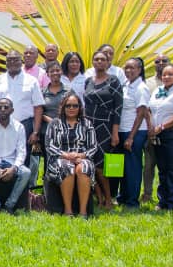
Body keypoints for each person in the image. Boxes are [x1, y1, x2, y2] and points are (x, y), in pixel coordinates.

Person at [0, 49, 44, 158]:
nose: (12, 62)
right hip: (0, 125)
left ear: (21, 61)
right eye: (9, 60)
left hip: (25, 125)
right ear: (5, 62)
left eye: (16, 60)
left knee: (23, 159)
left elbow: (38, 107)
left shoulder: (32, 81)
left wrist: (35, 132)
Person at [82, 48, 122, 209]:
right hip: (88, 127)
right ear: (92, 62)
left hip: (105, 127)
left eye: (102, 59)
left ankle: (108, 198)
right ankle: (99, 199)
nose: (99, 62)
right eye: (96, 59)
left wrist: (115, 132)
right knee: (90, 164)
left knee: (100, 167)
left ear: (108, 62)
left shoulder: (114, 81)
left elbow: (118, 108)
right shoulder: (88, 81)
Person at [45, 93, 96, 217]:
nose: (71, 108)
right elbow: (49, 146)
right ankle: (68, 211)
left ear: (80, 107)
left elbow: (93, 147)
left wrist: (80, 156)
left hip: (81, 157)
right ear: (63, 107)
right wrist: (67, 156)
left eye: (75, 105)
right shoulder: (55, 123)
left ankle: (83, 212)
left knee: (84, 168)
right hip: (60, 158)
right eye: (68, 106)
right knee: (67, 167)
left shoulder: (87, 123)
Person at [0, 98, 32, 213]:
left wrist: (14, 168)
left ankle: (10, 204)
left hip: (12, 163)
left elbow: (22, 152)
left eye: (6, 107)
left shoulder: (19, 127)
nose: (2, 110)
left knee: (26, 172)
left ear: (12, 110)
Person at [147, 63, 173, 211]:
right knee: (162, 168)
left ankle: (172, 203)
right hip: (157, 134)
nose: (166, 77)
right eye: (164, 74)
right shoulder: (158, 90)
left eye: (170, 74)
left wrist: (161, 127)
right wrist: (152, 127)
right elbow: (150, 109)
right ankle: (162, 200)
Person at [115, 57, 150, 209]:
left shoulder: (141, 88)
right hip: (123, 130)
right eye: (126, 68)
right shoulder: (126, 85)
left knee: (133, 167)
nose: (129, 71)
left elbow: (141, 113)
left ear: (139, 70)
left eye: (132, 68)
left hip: (134, 132)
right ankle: (123, 197)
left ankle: (132, 201)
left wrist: (131, 137)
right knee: (124, 167)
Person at [140, 53, 169, 205]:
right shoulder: (148, 83)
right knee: (149, 164)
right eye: (157, 61)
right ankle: (147, 193)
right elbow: (145, 108)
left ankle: (165, 196)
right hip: (150, 129)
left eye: (164, 61)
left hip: (170, 130)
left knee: (167, 166)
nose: (161, 63)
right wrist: (150, 127)